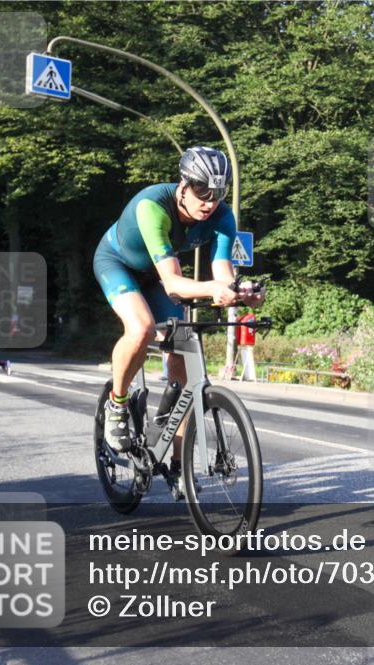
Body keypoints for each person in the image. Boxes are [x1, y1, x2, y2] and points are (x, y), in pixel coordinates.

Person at [93, 146, 264, 492]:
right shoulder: (153, 206)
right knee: (141, 328)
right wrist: (211, 289)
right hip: (118, 265)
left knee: (184, 359)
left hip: (154, 276)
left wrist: (241, 291)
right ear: (183, 185)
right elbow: (172, 283)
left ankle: (178, 464)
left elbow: (222, 274)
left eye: (218, 194)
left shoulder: (222, 217)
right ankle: (117, 403)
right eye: (202, 191)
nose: (210, 202)